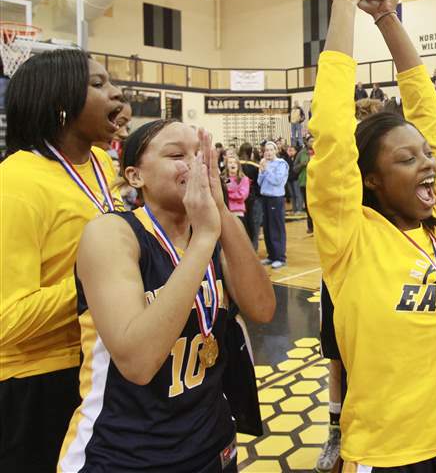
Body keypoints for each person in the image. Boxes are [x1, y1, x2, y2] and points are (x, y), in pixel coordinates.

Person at [300, 0, 436, 471]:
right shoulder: (350, 236)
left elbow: (431, 115)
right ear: (371, 178)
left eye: (426, 156)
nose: (427, 165)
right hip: (391, 453)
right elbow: (334, 138)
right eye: (406, 161)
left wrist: (386, 16)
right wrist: (344, 5)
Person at [59, 122, 274, 471]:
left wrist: (219, 211)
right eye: (177, 154)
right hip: (125, 451)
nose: (195, 164)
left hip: (210, 441)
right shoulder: (112, 234)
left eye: (200, 154)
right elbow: (139, 363)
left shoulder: (211, 228)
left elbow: (263, 309)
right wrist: (205, 237)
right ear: (134, 176)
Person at [0, 50, 125, 472]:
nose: (117, 93)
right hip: (38, 381)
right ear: (60, 102)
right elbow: (6, 321)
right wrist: (101, 286)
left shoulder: (104, 165)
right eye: (99, 84)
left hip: (99, 363)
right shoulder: (14, 182)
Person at [258, 141, 289, 269]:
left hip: (276, 198)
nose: (268, 152)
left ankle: (280, 257)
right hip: (265, 197)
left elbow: (277, 181)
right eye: (266, 150)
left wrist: (267, 170)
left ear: (275, 150)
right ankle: (271, 255)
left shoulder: (281, 164)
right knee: (267, 228)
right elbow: (260, 182)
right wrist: (261, 171)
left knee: (276, 227)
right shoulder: (265, 163)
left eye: (271, 150)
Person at [224, 152, 250, 226]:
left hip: (238, 212)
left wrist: (228, 194)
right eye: (230, 162)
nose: (232, 164)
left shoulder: (244, 179)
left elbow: (241, 196)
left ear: (238, 165)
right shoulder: (225, 179)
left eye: (235, 162)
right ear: (226, 165)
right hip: (226, 212)